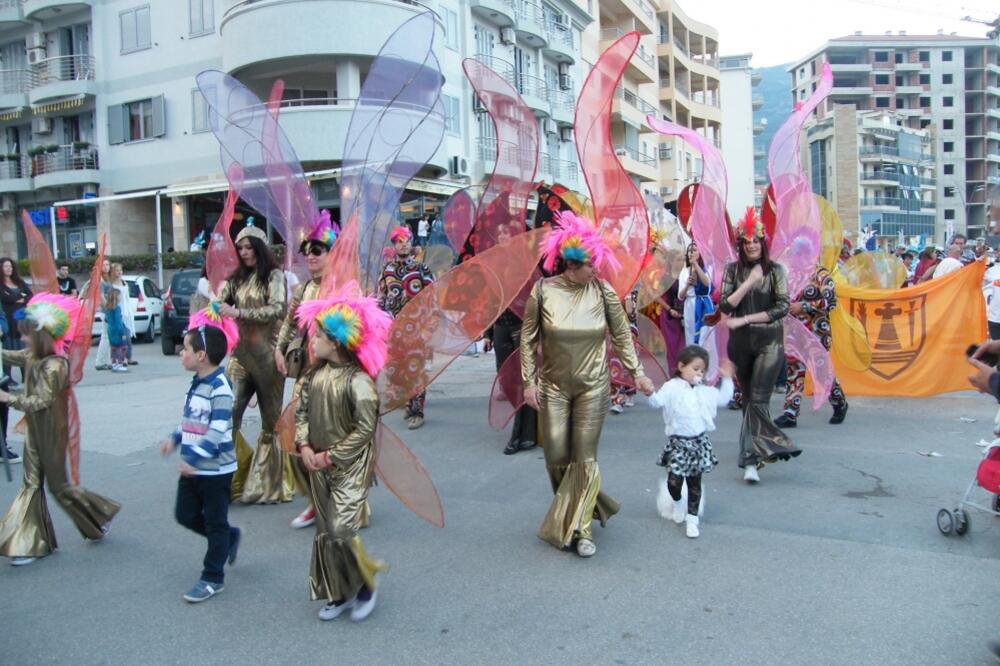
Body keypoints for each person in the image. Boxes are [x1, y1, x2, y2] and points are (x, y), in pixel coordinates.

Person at [520, 210, 654, 558]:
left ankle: (580, 529)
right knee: (555, 456)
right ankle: (584, 504)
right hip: (553, 388)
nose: (598, 269)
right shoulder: (543, 291)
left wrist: (636, 371)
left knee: (584, 457)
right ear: (572, 264)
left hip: (594, 387)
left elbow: (622, 334)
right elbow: (527, 337)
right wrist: (528, 382)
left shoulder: (603, 291)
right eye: (592, 264)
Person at [0, 293, 120, 566]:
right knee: (31, 484)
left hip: (52, 433)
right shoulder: (32, 356)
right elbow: (11, 355)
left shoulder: (56, 365)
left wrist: (9, 398)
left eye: (26, 335)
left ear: (40, 337)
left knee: (60, 488)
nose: (22, 340)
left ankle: (99, 516)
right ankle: (28, 543)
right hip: (34, 431)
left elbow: (40, 401)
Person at [294, 287, 391, 622]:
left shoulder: (359, 382)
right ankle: (338, 591)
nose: (313, 341)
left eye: (318, 336)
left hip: (350, 464)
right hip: (317, 462)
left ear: (336, 342)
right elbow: (302, 413)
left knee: (340, 527)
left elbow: (364, 430)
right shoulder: (313, 376)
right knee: (326, 531)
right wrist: (305, 446)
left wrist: (331, 456)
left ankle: (365, 584)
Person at [160, 306, 241, 603]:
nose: (182, 354)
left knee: (215, 522)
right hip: (194, 467)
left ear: (201, 356)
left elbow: (218, 429)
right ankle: (228, 538)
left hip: (215, 470)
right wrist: (175, 437)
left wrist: (193, 458)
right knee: (185, 514)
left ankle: (212, 577)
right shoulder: (197, 383)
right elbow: (192, 421)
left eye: (185, 350)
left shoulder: (220, 387)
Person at [719, 207, 801, 483]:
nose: (752, 245)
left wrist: (746, 320)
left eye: (756, 240)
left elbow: (782, 307)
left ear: (762, 243)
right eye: (747, 241)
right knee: (747, 403)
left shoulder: (776, 270)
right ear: (740, 244)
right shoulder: (732, 270)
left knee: (759, 399)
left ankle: (756, 457)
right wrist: (748, 283)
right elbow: (724, 304)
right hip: (740, 347)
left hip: (769, 343)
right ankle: (761, 451)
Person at [217, 218, 290, 504]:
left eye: (249, 247)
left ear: (259, 248)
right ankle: (230, 478)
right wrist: (210, 310)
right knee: (227, 412)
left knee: (270, 423)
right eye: (241, 248)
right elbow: (218, 304)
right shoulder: (236, 279)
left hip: (269, 358)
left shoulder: (273, 276)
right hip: (240, 357)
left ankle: (270, 483)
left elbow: (277, 309)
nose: (244, 252)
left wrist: (239, 314)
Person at [275, 211, 338, 528]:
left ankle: (339, 501)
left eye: (318, 250)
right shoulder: (302, 290)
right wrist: (279, 347)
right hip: (305, 375)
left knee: (332, 440)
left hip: (335, 377)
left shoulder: (344, 288)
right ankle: (316, 500)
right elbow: (289, 323)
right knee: (295, 437)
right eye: (307, 251)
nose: (311, 256)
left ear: (332, 253)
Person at [649, 346, 734, 539]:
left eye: (702, 370)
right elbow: (657, 402)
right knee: (674, 482)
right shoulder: (671, 387)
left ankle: (692, 519)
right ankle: (678, 501)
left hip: (698, 443)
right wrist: (648, 392)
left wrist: (727, 378)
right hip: (678, 443)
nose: (699, 373)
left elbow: (723, 398)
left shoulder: (704, 391)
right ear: (681, 366)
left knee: (695, 483)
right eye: (695, 368)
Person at [775, 264, 849, 427]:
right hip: (794, 332)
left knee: (821, 372)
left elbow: (831, 301)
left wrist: (805, 306)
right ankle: (790, 413)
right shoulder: (791, 274)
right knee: (794, 370)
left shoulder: (822, 274)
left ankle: (839, 402)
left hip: (817, 332)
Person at [377, 225, 434, 430]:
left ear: (411, 243)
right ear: (394, 244)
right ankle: (408, 404)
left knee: (416, 369)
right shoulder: (387, 270)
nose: (404, 244)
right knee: (399, 368)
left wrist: (429, 327)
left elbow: (432, 299)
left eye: (407, 240)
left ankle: (418, 411)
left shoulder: (421, 269)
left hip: (417, 327)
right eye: (399, 241)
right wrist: (378, 323)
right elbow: (381, 298)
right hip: (394, 329)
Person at [0, 257, 31, 384]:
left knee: (23, 349)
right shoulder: (1, 285)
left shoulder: (19, 282)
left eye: (10, 266)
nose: (9, 269)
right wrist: (20, 297)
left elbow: (30, 295)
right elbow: (6, 299)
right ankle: (8, 378)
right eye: (6, 266)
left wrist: (18, 298)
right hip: (8, 320)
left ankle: (26, 377)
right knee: (9, 349)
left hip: (22, 320)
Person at [609, 288, 640, 414]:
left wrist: (625, 297)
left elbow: (631, 313)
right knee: (617, 364)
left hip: (626, 329)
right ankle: (620, 397)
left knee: (623, 363)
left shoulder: (631, 291)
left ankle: (623, 396)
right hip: (614, 329)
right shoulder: (609, 286)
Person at [677, 243, 714, 345]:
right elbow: (680, 296)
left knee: (706, 338)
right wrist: (687, 285)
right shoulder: (684, 271)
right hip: (689, 305)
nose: (691, 253)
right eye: (689, 251)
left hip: (704, 305)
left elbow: (707, 283)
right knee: (691, 335)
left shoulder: (707, 268)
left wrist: (696, 265)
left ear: (700, 252)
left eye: (694, 250)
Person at [108, 263, 135, 365]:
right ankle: (121, 358)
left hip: (127, 311)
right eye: (117, 270)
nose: (119, 273)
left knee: (128, 335)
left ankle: (129, 357)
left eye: (120, 270)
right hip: (119, 312)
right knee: (123, 336)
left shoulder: (124, 282)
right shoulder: (111, 284)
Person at [657, 280, 686, 372]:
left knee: (684, 346)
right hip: (668, 316)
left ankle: (685, 373)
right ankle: (674, 374)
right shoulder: (665, 276)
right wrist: (669, 309)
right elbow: (656, 295)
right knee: (671, 348)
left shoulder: (685, 273)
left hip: (684, 315)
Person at [103, 289, 130, 374]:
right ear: (116, 297)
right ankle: (120, 364)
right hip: (118, 331)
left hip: (110, 330)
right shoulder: (117, 308)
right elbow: (118, 322)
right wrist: (122, 333)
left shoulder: (107, 308)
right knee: (123, 347)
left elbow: (106, 319)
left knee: (113, 347)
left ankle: (114, 363)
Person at [93, 258, 113, 371]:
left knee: (108, 336)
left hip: (109, 309)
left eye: (107, 265)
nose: (105, 267)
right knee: (105, 336)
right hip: (105, 311)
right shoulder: (100, 280)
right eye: (103, 265)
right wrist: (108, 308)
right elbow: (101, 296)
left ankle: (105, 361)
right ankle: (100, 361)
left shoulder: (108, 279)